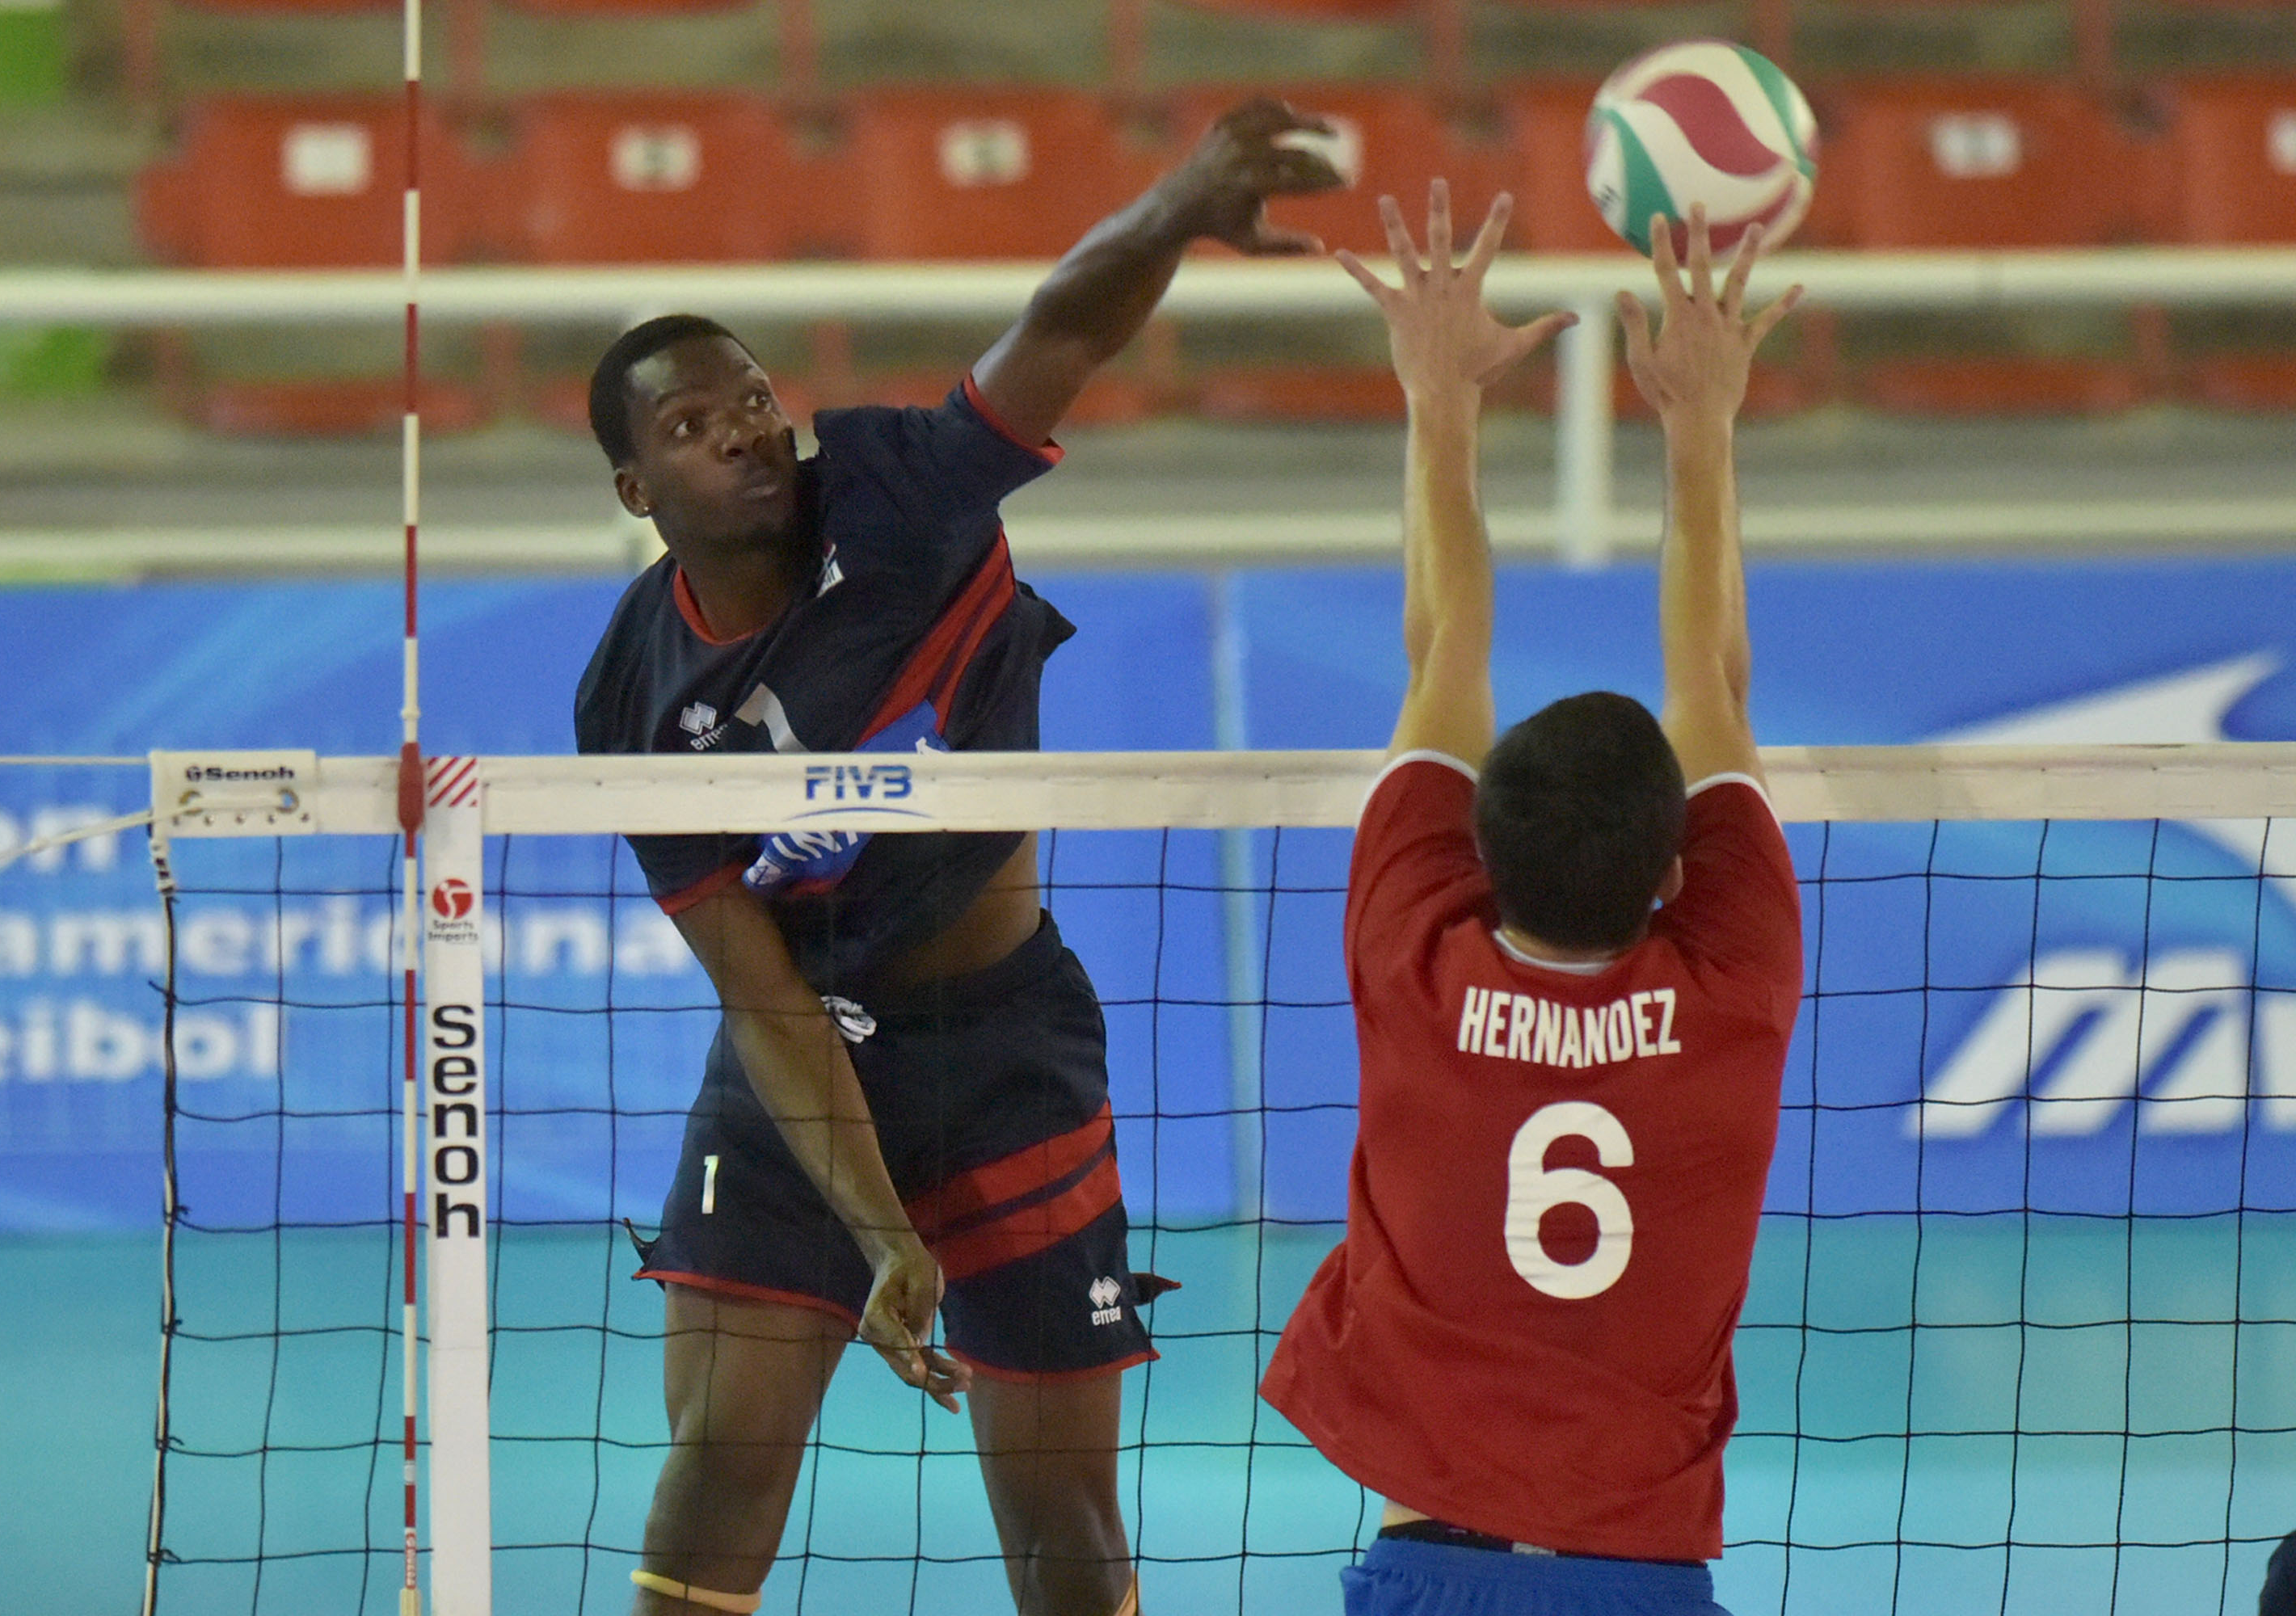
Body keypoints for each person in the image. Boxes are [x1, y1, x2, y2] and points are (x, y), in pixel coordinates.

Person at [572, 99, 1346, 1616]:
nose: (740, 427)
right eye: (688, 424)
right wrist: (878, 1233)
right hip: (797, 1048)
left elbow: (1058, 330)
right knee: (724, 1462)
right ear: (635, 492)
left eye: (748, 397)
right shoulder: (633, 700)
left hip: (1002, 1044)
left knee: (1062, 1514)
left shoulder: (901, 499)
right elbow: (755, 987)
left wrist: (1178, 207)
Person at [1258, 186, 1807, 1614]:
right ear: (1678, 877)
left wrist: (1436, 397)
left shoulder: (1411, 953)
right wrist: (1701, 422)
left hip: (1427, 1571)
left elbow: (1442, 642)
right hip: (1645, 1581)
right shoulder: (1732, 988)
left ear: (1480, 859)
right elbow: (1718, 686)